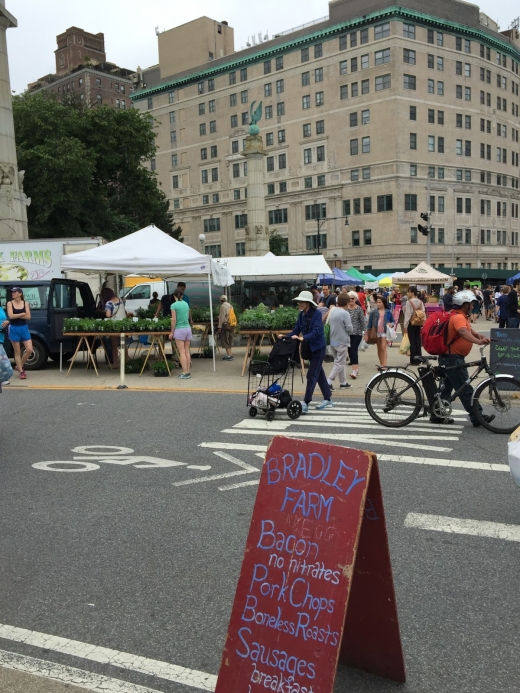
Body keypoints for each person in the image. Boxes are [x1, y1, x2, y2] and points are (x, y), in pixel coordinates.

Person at [436, 290, 494, 427]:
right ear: (465, 304)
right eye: (472, 303)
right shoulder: (458, 317)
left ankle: (436, 414)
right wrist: (478, 342)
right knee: (465, 388)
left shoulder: (460, 316)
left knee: (445, 390)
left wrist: (479, 336)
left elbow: (468, 330)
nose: (473, 306)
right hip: (453, 359)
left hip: (450, 358)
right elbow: (462, 332)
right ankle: (477, 417)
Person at [280, 290, 332, 413]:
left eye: (302, 302)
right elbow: (296, 330)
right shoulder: (301, 315)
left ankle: (306, 402)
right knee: (318, 373)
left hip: (318, 347)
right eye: (299, 302)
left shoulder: (316, 314)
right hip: (310, 347)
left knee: (311, 374)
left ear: (308, 303)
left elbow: (317, 331)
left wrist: (303, 338)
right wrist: (285, 336)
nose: (300, 304)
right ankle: (328, 399)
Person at [325, 293, 353, 390]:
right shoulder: (345, 313)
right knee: (340, 363)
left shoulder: (333, 310)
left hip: (332, 340)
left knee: (339, 361)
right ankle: (328, 381)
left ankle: (343, 382)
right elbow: (350, 328)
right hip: (342, 340)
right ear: (347, 302)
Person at [6, 287, 33, 379]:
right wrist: (22, 314)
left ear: (20, 293)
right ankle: (22, 371)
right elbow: (11, 316)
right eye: (12, 292)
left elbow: (29, 317)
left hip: (24, 328)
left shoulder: (25, 303)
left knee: (29, 349)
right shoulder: (10, 303)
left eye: (14, 292)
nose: (12, 294)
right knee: (17, 351)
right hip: (14, 328)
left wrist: (17, 315)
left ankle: (19, 365)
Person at [365, 295, 394, 368]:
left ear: (384, 303)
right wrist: (366, 333)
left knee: (384, 348)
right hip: (376, 331)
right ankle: (381, 363)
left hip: (384, 331)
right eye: (377, 302)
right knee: (379, 348)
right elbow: (369, 323)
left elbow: (393, 321)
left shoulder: (388, 312)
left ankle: (384, 365)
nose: (378, 304)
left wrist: (391, 324)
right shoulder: (373, 312)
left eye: (380, 302)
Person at [169, 289, 192, 379]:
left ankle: (184, 372)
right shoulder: (186, 304)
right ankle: (188, 371)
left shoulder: (173, 305)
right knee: (187, 351)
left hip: (179, 329)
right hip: (188, 328)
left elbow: (174, 320)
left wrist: (171, 332)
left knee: (181, 352)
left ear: (174, 296)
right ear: (182, 296)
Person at [403, 286, 425, 365]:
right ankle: (419, 358)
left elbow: (408, 315)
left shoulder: (409, 302)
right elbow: (423, 312)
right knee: (418, 340)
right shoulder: (420, 302)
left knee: (412, 341)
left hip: (411, 323)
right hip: (418, 323)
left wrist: (405, 326)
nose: (408, 293)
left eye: (408, 292)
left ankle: (413, 359)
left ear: (412, 292)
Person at [104, 289, 126, 369]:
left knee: (114, 346)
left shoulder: (109, 303)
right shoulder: (121, 300)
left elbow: (108, 315)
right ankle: (126, 362)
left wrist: (105, 311)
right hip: (123, 325)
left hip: (114, 326)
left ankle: (115, 364)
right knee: (124, 345)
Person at [346, 292, 365, 379]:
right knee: (350, 351)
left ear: (356, 299)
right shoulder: (345, 309)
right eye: (349, 298)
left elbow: (363, 321)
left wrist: (365, 333)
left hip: (357, 333)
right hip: (347, 333)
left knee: (353, 350)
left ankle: (354, 370)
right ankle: (356, 368)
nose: (351, 300)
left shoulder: (359, 309)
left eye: (352, 298)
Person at [218, 295, 234, 361]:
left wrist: (219, 327)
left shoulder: (222, 306)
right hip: (231, 324)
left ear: (221, 300)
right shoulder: (230, 306)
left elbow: (222, 317)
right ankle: (229, 354)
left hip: (225, 325)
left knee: (225, 339)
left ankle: (229, 355)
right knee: (229, 339)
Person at [0, 303, 10, 384]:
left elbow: (5, 319)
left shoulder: (0, 308)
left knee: (2, 359)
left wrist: (7, 322)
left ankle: (2, 378)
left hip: (1, 335)